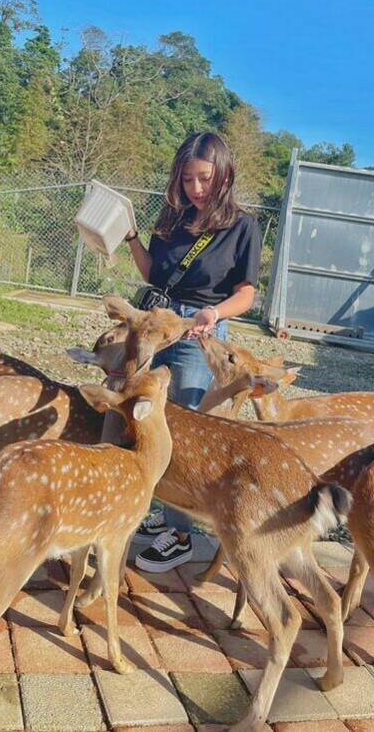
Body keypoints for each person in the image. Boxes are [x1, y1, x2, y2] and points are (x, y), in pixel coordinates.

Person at [123, 131, 262, 572]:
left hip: (195, 331)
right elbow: (155, 272)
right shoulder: (174, 216)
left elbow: (247, 293)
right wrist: (131, 239)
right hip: (155, 322)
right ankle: (163, 513)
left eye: (204, 179)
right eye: (187, 180)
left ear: (223, 175)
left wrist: (214, 314)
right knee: (136, 410)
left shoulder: (243, 226)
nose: (196, 189)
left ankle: (181, 535)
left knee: (175, 427)